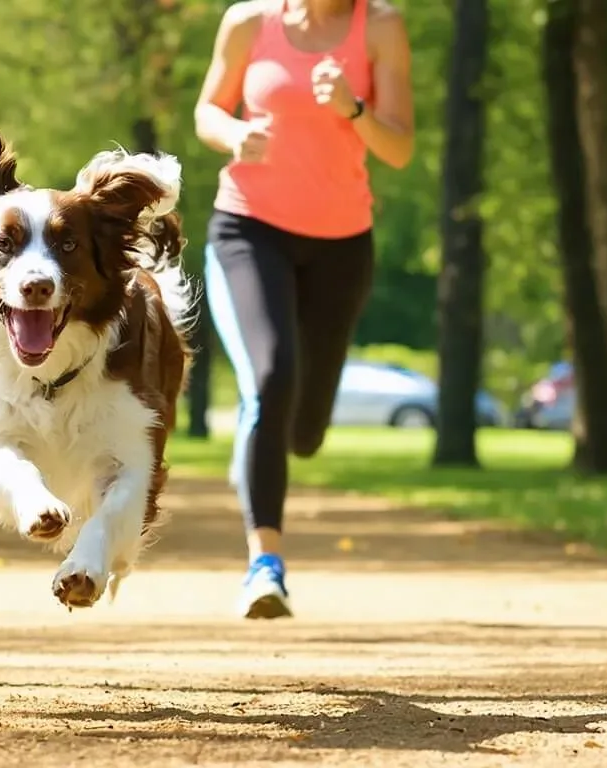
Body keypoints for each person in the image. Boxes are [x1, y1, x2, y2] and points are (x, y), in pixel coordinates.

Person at [193, 0, 414, 619]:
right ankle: (265, 566)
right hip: (248, 228)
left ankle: (260, 436)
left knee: (305, 430)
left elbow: (399, 148)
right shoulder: (247, 22)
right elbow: (207, 110)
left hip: (342, 247)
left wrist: (354, 109)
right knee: (271, 379)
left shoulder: (384, 29)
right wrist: (235, 133)